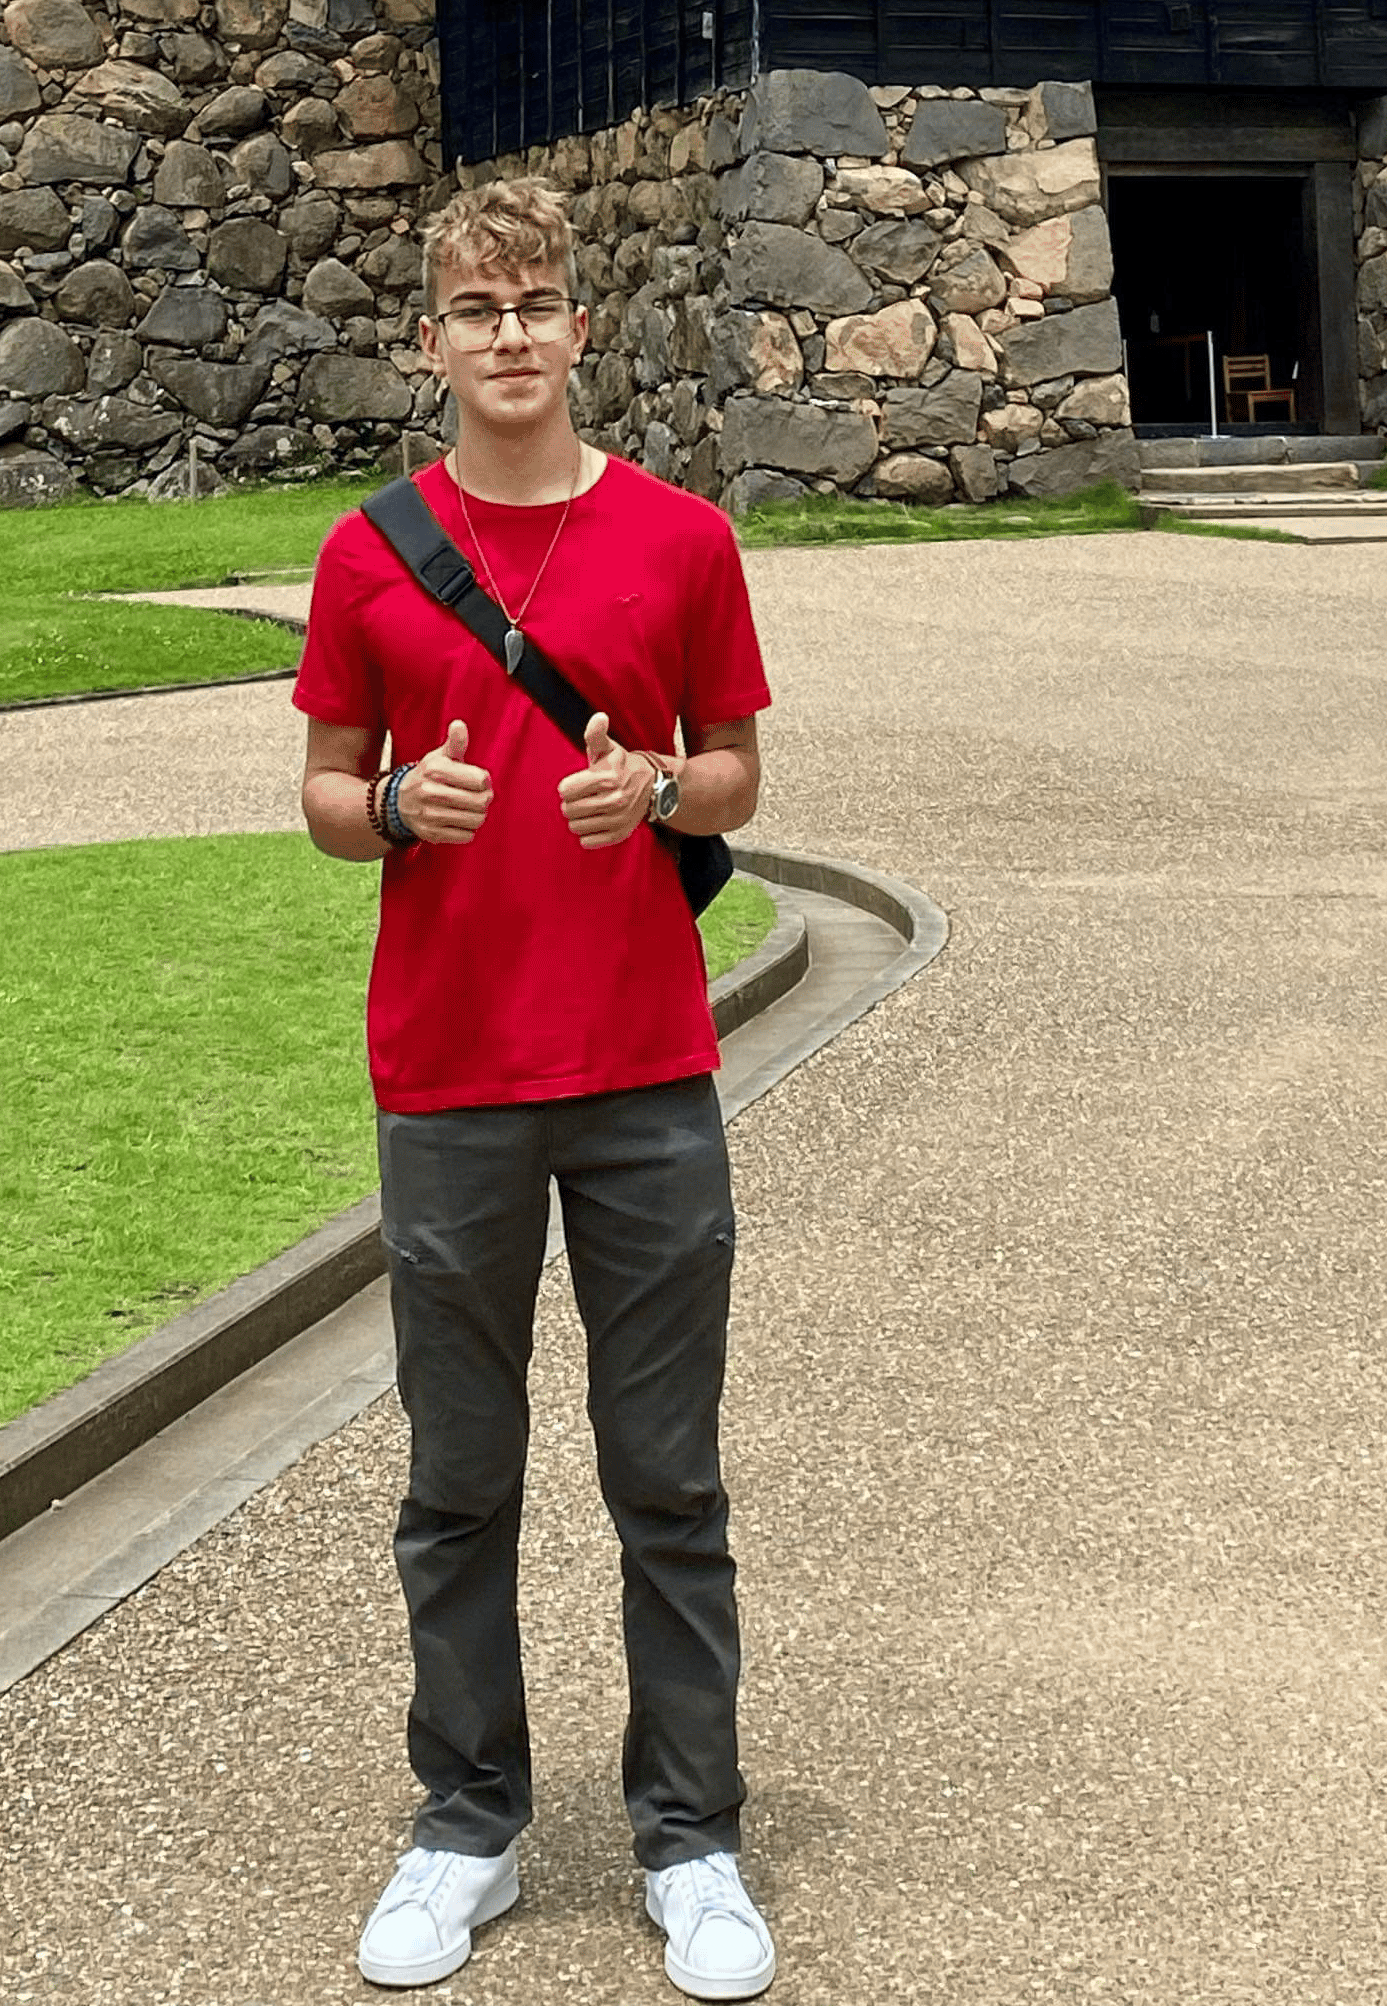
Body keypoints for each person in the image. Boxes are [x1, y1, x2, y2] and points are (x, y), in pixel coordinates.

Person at [296, 176, 778, 1999]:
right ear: (433, 342)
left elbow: (735, 777)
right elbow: (327, 798)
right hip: (450, 1074)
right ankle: (466, 1826)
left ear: (582, 328)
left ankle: (694, 1837)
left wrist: (653, 787)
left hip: (648, 1069)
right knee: (458, 1479)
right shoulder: (367, 556)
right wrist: (399, 811)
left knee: (668, 1477)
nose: (510, 334)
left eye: (537, 303)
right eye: (477, 308)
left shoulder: (679, 541)